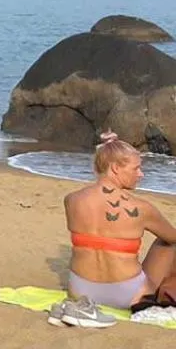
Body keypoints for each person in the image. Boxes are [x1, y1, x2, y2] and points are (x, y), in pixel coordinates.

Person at [54, 135, 176, 322]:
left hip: (81, 291)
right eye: (136, 168)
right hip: (129, 295)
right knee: (168, 242)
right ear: (116, 168)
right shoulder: (142, 208)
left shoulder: (72, 200)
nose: (141, 174)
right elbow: (173, 238)